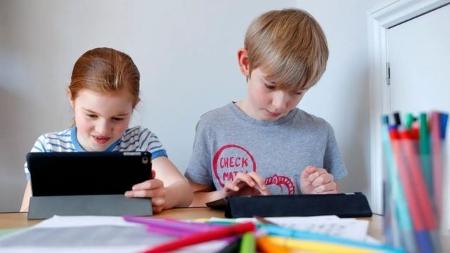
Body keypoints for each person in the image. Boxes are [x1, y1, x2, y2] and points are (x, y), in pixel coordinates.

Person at [185, 8, 348, 206]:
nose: (280, 104)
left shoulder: (320, 132)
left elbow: (335, 202)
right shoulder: (212, 125)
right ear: (245, 63)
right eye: (270, 85)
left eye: (297, 92)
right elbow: (189, 200)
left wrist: (317, 194)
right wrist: (225, 196)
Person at [21, 47, 193, 213]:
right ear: (71, 99)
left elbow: (184, 191)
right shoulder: (49, 147)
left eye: (117, 118)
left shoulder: (141, 141)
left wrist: (165, 196)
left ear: (134, 107)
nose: (103, 130)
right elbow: (26, 212)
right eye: (92, 115)